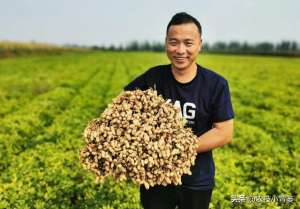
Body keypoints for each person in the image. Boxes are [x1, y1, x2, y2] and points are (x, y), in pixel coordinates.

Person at [123, 12, 234, 209]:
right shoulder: (153, 78)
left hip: (197, 180)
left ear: (200, 44)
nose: (180, 50)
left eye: (188, 43)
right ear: (166, 43)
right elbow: (123, 104)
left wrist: (177, 148)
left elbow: (224, 132)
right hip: (156, 177)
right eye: (173, 42)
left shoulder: (215, 84)